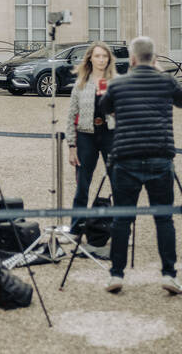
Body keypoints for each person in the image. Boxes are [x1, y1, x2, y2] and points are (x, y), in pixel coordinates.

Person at [97, 36, 182, 296]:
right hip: (159, 156)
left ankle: (116, 274)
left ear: (133, 58)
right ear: (154, 58)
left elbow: (104, 108)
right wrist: (161, 72)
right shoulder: (166, 81)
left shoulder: (118, 83)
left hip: (126, 156)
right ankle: (169, 275)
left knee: (122, 219)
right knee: (164, 219)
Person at [65, 41, 117, 232]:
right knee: (83, 184)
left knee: (117, 181)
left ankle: (120, 228)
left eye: (104, 56)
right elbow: (71, 115)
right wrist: (72, 145)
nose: (101, 60)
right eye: (97, 56)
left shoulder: (114, 83)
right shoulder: (81, 84)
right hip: (86, 136)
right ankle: (77, 227)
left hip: (110, 135)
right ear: (90, 59)